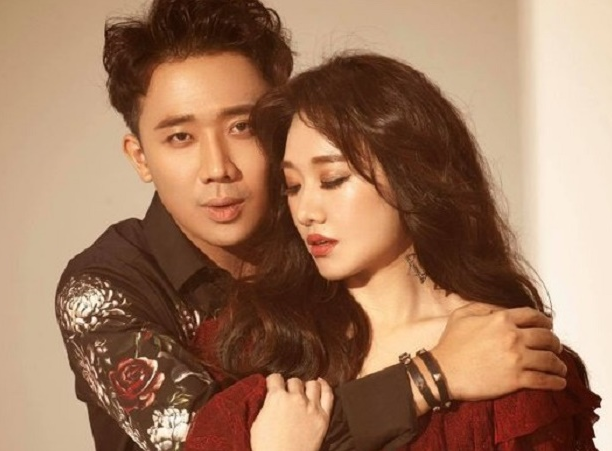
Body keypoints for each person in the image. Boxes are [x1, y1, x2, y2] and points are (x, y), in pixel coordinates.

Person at [54, 1, 570, 450]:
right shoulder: (104, 289)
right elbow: (224, 440)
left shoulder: (322, 262)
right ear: (140, 157)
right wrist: (431, 376)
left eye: (243, 126)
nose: (218, 168)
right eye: (180, 138)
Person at [185, 53, 601, 450]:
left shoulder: (509, 353)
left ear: (412, 177)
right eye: (292, 186)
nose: (306, 211)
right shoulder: (260, 341)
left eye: (332, 180)